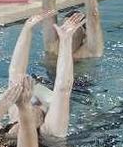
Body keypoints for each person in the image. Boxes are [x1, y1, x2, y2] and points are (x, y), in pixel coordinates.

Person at [7, 10, 85, 139]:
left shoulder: (17, 114)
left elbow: (16, 72)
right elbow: (63, 88)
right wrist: (65, 40)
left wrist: (27, 29)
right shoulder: (50, 130)